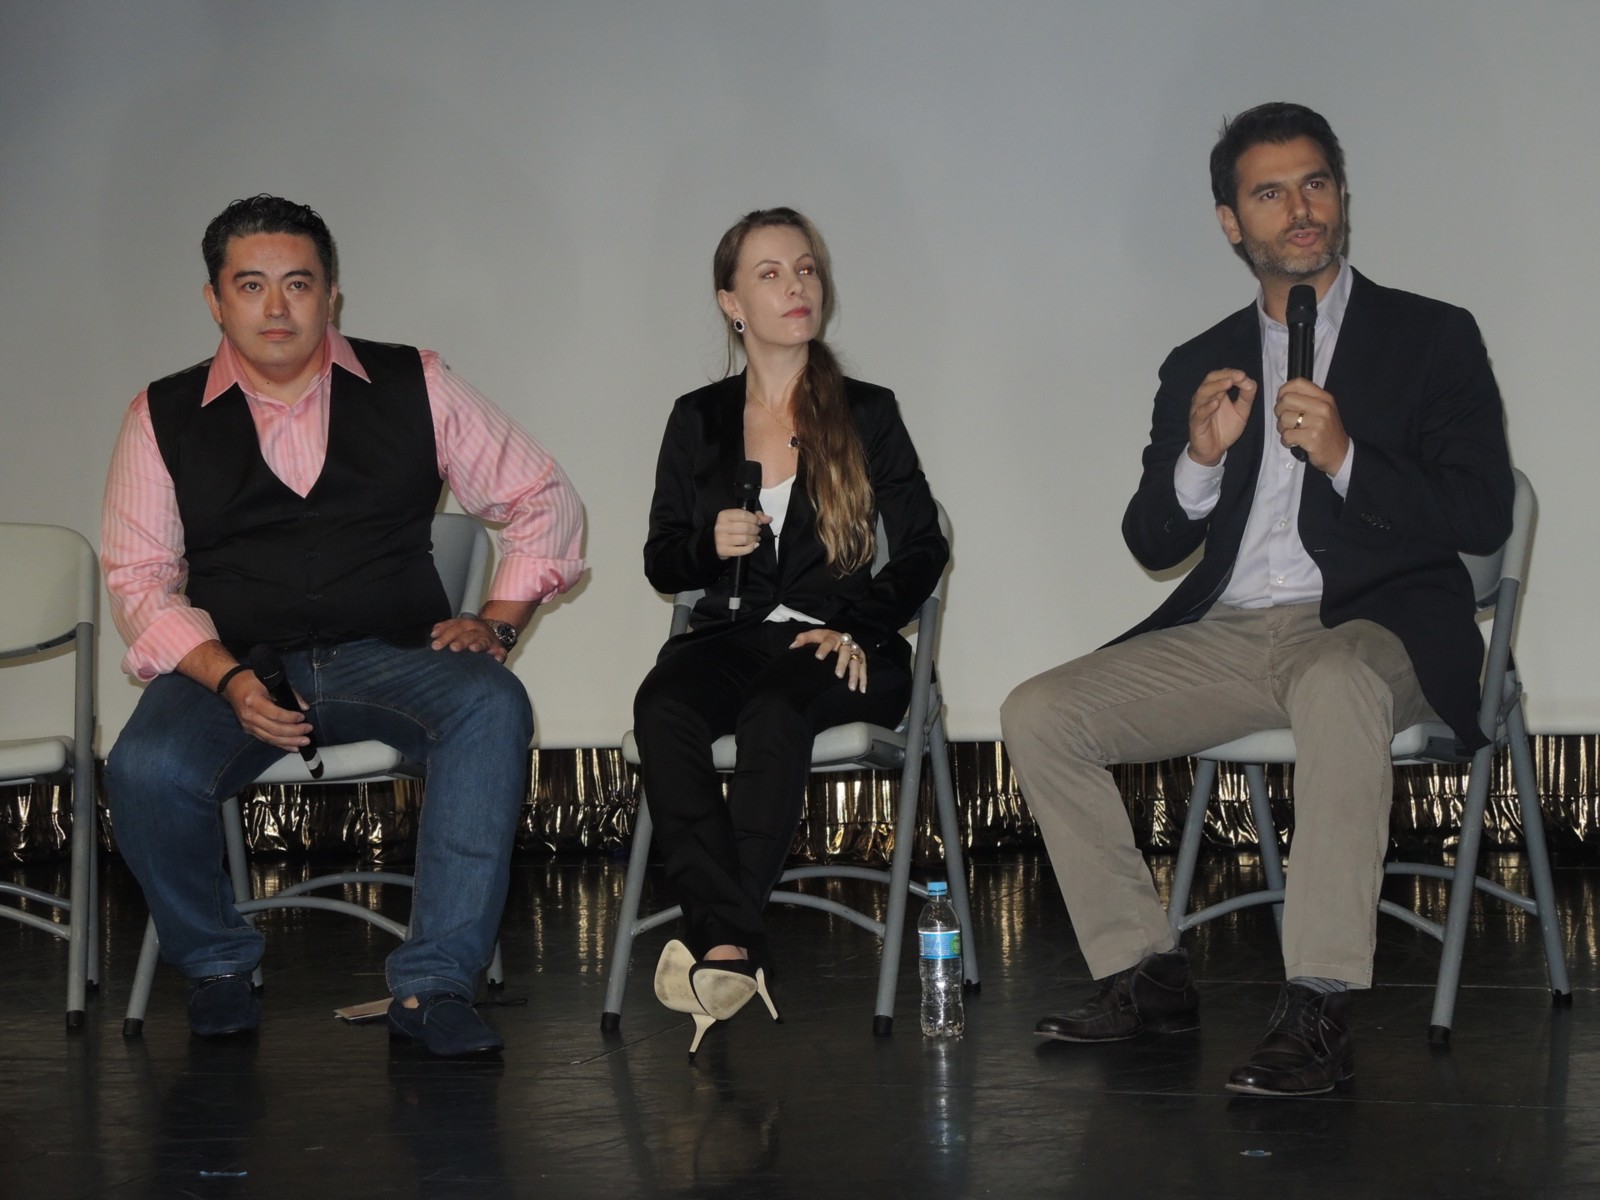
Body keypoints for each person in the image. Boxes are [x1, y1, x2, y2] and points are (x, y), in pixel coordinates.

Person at [1001, 103, 1513, 1096]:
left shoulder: (1430, 336)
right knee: (1040, 712)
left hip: (1379, 624)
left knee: (1332, 683)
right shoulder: (1200, 360)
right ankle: (1144, 972)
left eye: (1315, 183)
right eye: (1270, 193)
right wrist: (1199, 460)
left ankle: (1317, 1002)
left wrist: (1347, 457)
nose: (1300, 209)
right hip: (1235, 634)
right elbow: (1152, 539)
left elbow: (1480, 511)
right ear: (1231, 223)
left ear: (1341, 194)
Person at [101, 195, 585, 1056]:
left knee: (491, 704)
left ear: (332, 295)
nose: (276, 307)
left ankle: (434, 985)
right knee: (143, 766)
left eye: (298, 284)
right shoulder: (160, 415)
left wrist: (500, 622)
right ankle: (215, 965)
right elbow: (139, 580)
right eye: (251, 286)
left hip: (391, 655)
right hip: (238, 667)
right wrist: (226, 677)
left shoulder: (415, 382)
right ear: (215, 300)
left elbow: (542, 498)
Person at [632, 207, 948, 1057]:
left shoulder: (866, 411)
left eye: (805, 268)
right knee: (662, 707)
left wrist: (859, 623)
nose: (796, 286)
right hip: (729, 637)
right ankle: (733, 944)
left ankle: (721, 947)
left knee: (776, 709)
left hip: (845, 645)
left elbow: (925, 545)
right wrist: (710, 544)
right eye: (769, 274)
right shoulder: (697, 418)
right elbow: (663, 559)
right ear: (731, 302)